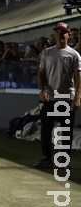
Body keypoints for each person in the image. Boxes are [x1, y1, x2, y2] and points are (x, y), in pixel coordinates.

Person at [33, 22, 81, 169]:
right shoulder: (47, 53)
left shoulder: (74, 54)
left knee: (65, 131)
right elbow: (41, 74)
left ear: (68, 35)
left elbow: (78, 78)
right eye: (57, 32)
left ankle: (64, 161)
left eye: (63, 32)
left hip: (66, 98)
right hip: (49, 98)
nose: (59, 34)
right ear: (54, 34)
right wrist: (42, 90)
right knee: (46, 129)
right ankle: (46, 158)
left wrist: (78, 98)